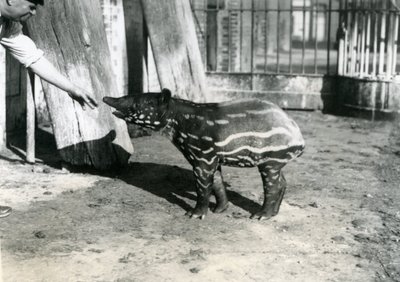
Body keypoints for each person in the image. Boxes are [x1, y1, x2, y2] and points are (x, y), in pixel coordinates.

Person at [0, 0, 98, 218]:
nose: (33, 13)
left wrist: (72, 88)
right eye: (31, 6)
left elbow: (33, 58)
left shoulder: (8, 25)